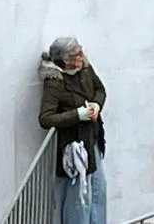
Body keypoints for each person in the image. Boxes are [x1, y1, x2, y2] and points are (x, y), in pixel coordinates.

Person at [38, 38, 107, 224]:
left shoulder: (84, 67)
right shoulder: (55, 81)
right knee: (79, 199)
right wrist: (78, 114)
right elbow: (46, 118)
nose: (81, 55)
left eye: (80, 50)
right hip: (73, 148)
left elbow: (100, 90)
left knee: (98, 191)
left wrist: (96, 105)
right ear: (65, 60)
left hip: (92, 140)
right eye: (76, 53)